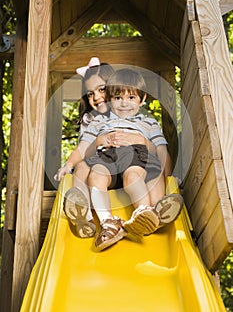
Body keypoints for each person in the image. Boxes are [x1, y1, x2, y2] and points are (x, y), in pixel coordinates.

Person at [54, 59, 166, 239]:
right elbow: (84, 148)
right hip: (107, 161)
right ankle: (90, 216)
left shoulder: (144, 121)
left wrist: (142, 142)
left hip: (134, 160)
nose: (97, 97)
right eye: (91, 93)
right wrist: (69, 164)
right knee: (86, 169)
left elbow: (159, 149)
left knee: (149, 173)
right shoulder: (94, 120)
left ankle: (150, 211)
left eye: (102, 89)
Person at [80, 68, 183, 251]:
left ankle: (144, 213)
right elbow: (85, 152)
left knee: (133, 177)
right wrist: (99, 141)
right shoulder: (98, 122)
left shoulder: (148, 122)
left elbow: (160, 149)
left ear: (142, 100)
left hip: (135, 155)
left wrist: (170, 178)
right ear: (110, 101)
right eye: (118, 98)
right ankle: (108, 223)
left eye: (131, 97)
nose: (124, 103)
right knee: (95, 176)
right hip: (107, 157)